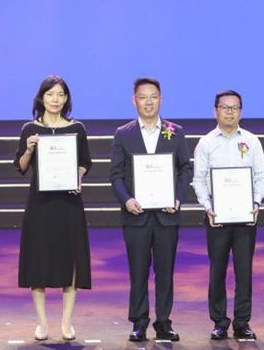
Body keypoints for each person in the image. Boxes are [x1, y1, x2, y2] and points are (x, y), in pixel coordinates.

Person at [108, 77, 194, 342]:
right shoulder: (123, 134)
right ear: (134, 101)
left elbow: (185, 169)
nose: (148, 102)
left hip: (167, 215)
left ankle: (164, 322)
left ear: (161, 99)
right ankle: (139, 322)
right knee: (138, 272)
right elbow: (115, 174)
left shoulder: (175, 132)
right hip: (136, 216)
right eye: (143, 97)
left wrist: (177, 198)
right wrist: (126, 200)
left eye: (153, 96)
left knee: (165, 272)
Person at [14, 75, 92, 342]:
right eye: (50, 94)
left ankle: (67, 323)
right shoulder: (30, 129)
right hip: (40, 205)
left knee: (71, 260)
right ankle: (42, 323)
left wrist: (78, 178)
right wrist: (28, 149)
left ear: (66, 98)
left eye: (60, 94)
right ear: (42, 98)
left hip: (69, 204)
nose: (55, 99)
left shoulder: (77, 129)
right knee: (39, 260)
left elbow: (85, 162)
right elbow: (21, 167)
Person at [192, 90, 264, 340]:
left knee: (244, 272)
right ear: (215, 111)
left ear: (241, 112)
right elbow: (199, 179)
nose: (229, 112)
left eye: (234, 108)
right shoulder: (206, 143)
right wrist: (208, 207)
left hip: (246, 217)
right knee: (217, 271)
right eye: (225, 107)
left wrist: (256, 202)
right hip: (217, 217)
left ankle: (242, 322)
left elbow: (261, 176)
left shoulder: (252, 141)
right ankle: (219, 322)